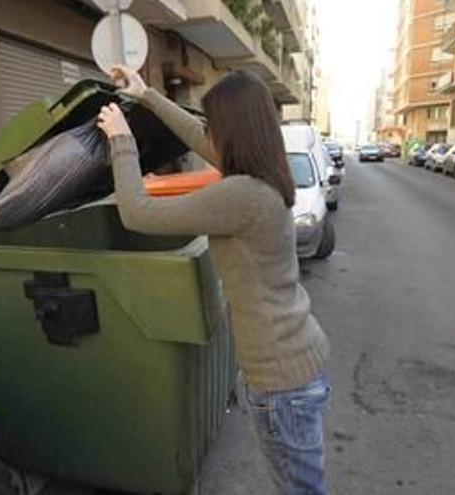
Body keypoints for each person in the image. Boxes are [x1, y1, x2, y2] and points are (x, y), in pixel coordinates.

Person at [97, 66, 332, 495]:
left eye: (215, 125)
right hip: (297, 362)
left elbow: (137, 213)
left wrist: (121, 140)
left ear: (233, 130)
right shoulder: (266, 175)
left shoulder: (241, 195)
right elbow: (200, 140)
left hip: (282, 381)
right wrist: (147, 93)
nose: (210, 134)